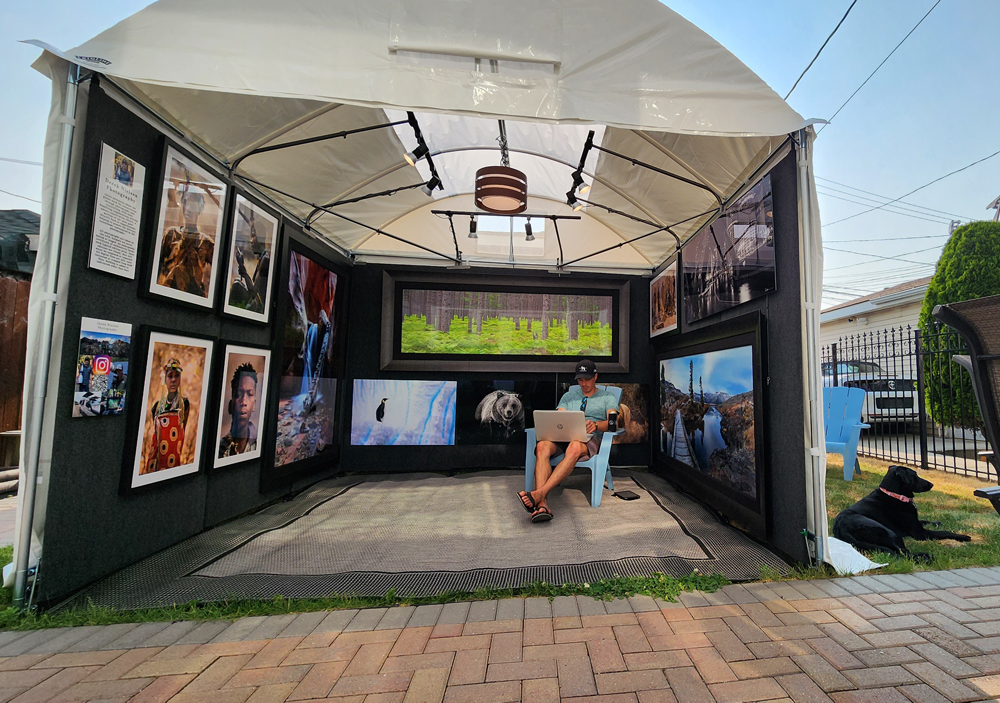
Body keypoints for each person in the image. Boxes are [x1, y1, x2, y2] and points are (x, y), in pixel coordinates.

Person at [518, 359, 619, 523]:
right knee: (542, 446)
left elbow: (613, 423)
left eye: (587, 379)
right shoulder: (569, 396)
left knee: (574, 447)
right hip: (564, 437)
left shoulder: (607, 397)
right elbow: (559, 417)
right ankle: (542, 504)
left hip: (590, 439)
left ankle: (538, 494)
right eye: (580, 379)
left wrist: (596, 425)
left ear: (596, 377)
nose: (584, 383)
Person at [157, 182, 214, 298]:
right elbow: (157, 264)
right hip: (165, 293)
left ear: (199, 208)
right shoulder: (171, 233)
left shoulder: (206, 242)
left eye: (193, 205)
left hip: (192, 296)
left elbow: (218, 274)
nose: (188, 208)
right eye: (186, 203)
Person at [144, 358, 190, 474]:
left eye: (177, 376)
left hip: (174, 461)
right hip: (158, 463)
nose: (173, 380)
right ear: (165, 379)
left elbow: (182, 430)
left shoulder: (184, 404)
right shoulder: (156, 407)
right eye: (170, 376)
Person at [218, 362, 259, 458]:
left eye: (249, 394)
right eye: (238, 395)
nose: (243, 401)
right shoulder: (219, 449)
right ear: (230, 404)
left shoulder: (258, 445)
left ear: (254, 405)